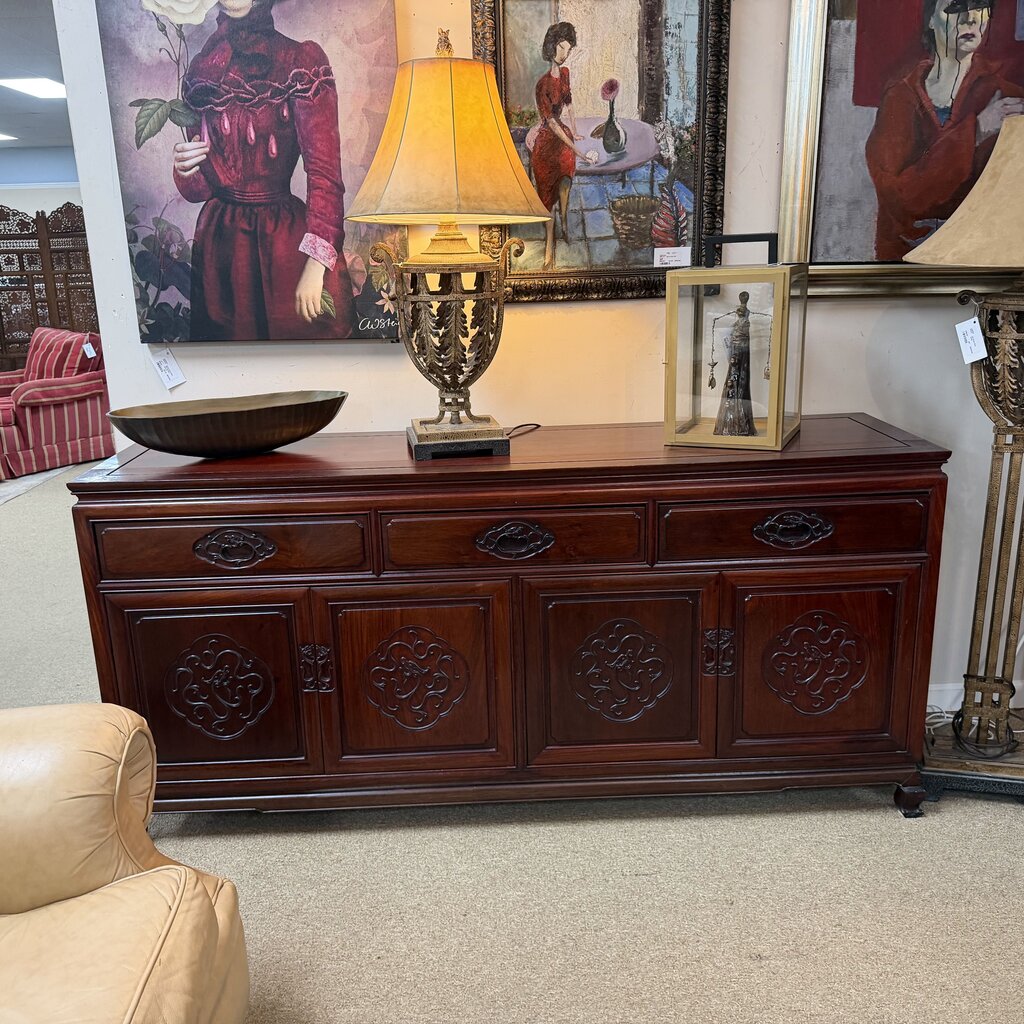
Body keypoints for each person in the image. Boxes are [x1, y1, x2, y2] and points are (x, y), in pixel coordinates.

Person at [171, 0, 356, 340]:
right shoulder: (201, 69)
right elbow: (200, 189)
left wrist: (316, 264)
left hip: (284, 241)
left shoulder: (300, 61)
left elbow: (324, 172)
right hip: (220, 247)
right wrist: (185, 168)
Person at [865, 0, 1024, 261]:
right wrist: (977, 131)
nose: (970, 19)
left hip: (980, 262)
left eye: (980, 6)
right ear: (930, 20)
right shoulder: (900, 98)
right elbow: (900, 197)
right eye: (955, 7)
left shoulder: (1009, 98)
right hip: (906, 268)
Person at [532, 22, 597, 269]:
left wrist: (577, 133)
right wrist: (578, 149)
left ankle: (566, 223)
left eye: (568, 48)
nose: (566, 52)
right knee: (547, 195)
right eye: (562, 47)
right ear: (552, 47)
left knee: (567, 181)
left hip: (564, 137)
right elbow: (552, 124)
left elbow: (569, 104)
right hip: (547, 144)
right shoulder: (542, 85)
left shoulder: (566, 74)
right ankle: (549, 245)